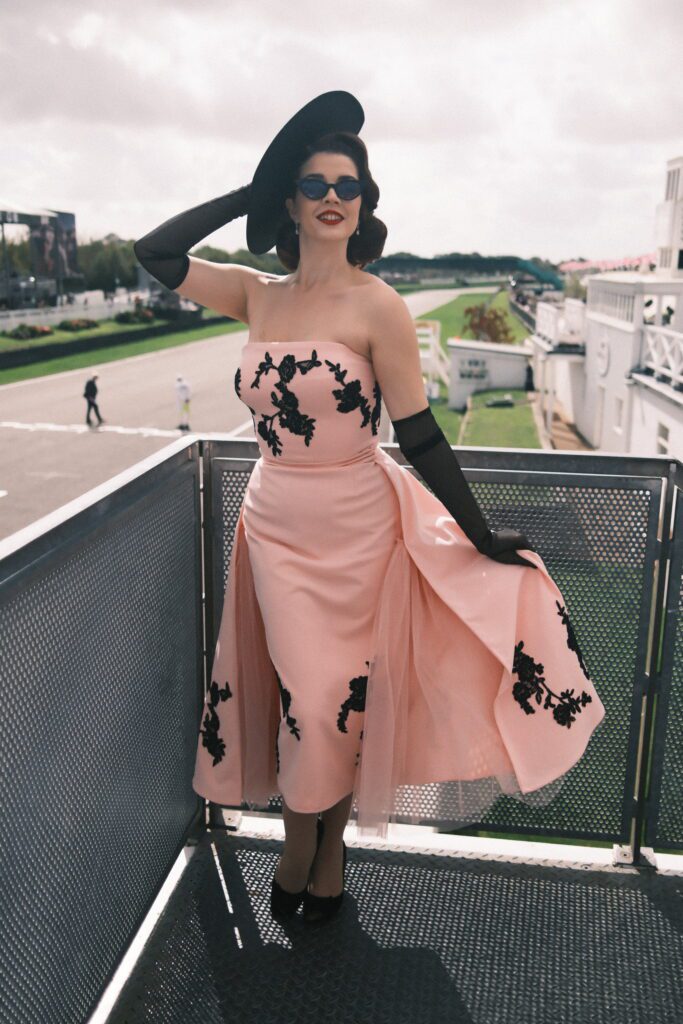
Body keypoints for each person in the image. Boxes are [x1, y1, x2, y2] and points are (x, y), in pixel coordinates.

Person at [134, 91, 605, 926]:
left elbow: (420, 436)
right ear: (290, 199)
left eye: (346, 185)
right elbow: (155, 251)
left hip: (362, 525)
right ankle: (311, 846)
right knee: (308, 699)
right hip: (276, 524)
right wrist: (251, 191)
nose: (330, 195)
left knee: (339, 699)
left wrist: (479, 533)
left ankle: (320, 844)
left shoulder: (378, 305)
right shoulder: (255, 295)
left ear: (363, 204)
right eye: (311, 182)